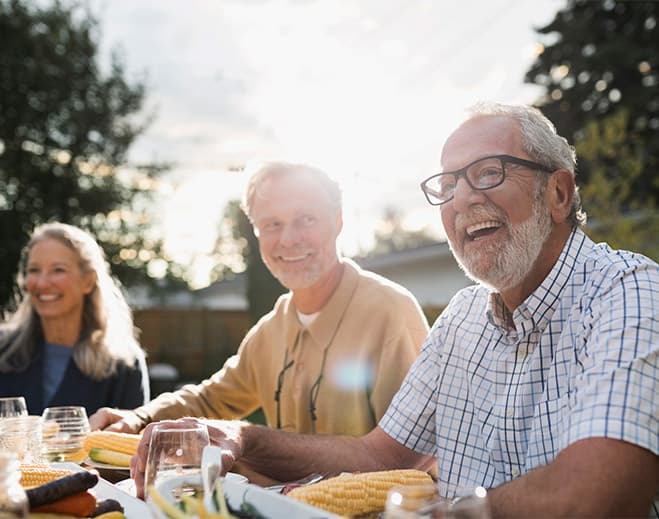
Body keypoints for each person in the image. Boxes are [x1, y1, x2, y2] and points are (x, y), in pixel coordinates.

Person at [132, 104, 659, 517]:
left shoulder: (630, 294)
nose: (462, 199)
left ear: (559, 192)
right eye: (448, 185)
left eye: (488, 173)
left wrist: (440, 514)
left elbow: (597, 498)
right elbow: (380, 457)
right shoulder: (461, 318)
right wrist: (240, 436)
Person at [91, 161, 429, 440]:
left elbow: (412, 455)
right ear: (256, 234)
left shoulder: (390, 313)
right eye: (272, 225)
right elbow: (211, 400)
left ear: (338, 221)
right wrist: (140, 418)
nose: (288, 239)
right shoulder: (272, 330)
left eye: (306, 219)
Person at [0, 222, 149, 415]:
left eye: (58, 270)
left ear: (88, 281)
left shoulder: (124, 365)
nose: (42, 283)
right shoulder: (3, 351)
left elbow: (134, 441)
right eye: (34, 270)